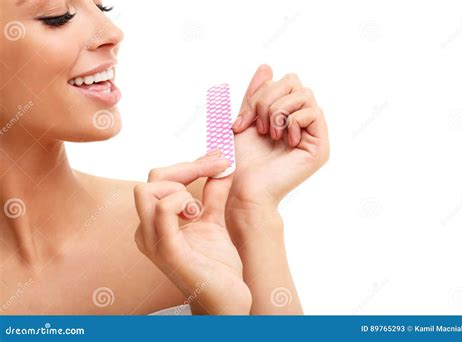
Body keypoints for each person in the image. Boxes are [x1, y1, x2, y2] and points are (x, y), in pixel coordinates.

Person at [0, 0, 329, 315]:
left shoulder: (198, 221)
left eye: (102, 6)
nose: (112, 32)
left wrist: (251, 211)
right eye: (58, 15)